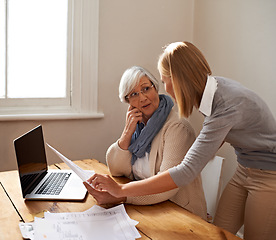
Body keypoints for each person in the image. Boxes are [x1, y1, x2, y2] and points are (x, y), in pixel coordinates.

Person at [88, 42, 276, 240]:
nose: (165, 88)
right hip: (244, 168)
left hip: (270, 174)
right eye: (134, 94)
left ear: (178, 78)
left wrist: (120, 190)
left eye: (163, 81)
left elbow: (185, 172)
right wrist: (200, 152)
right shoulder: (209, 94)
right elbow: (216, 135)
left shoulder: (224, 104)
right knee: (218, 233)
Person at [84, 66, 207, 220]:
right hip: (149, 210)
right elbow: (116, 170)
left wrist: (121, 195)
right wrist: (127, 133)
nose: (142, 98)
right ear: (128, 102)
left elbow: (168, 186)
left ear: (156, 88)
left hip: (180, 215)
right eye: (134, 94)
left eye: (146, 89)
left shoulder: (177, 128)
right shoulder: (139, 126)